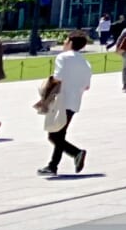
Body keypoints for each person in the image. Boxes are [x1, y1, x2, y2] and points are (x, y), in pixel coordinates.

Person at [38, 31, 92, 176]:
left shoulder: (63, 57)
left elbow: (58, 77)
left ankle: (75, 153)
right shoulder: (85, 62)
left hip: (61, 99)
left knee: (54, 135)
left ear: (70, 42)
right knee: (60, 133)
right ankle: (53, 165)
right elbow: (87, 85)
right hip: (74, 101)